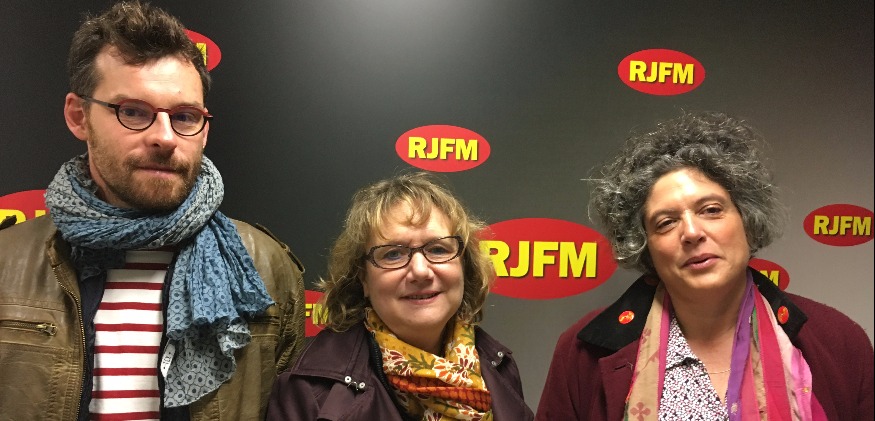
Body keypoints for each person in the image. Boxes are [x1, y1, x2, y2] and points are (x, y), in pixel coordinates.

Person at [0, 2, 306, 419]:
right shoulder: (7, 264)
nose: (165, 137)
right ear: (79, 117)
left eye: (185, 116)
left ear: (204, 130)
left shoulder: (265, 267)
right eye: (133, 111)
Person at [536, 111, 874, 420]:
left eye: (711, 210)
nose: (692, 232)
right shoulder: (580, 354)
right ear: (645, 245)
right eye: (666, 222)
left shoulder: (840, 343)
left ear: (747, 220)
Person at [267, 172, 534, 420]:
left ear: (464, 265)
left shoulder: (499, 367)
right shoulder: (310, 393)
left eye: (438, 249)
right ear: (363, 278)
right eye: (393, 254)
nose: (420, 271)